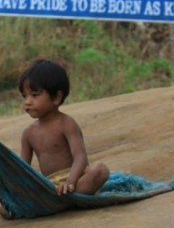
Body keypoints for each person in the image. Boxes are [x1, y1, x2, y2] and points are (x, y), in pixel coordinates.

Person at [18, 59, 110, 195]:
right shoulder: (28, 133)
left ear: (56, 97)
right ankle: (62, 198)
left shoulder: (66, 124)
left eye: (34, 95)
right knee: (4, 205)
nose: (27, 102)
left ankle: (72, 194)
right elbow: (22, 168)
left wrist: (71, 182)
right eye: (24, 96)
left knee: (100, 170)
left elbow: (80, 157)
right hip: (50, 185)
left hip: (75, 178)